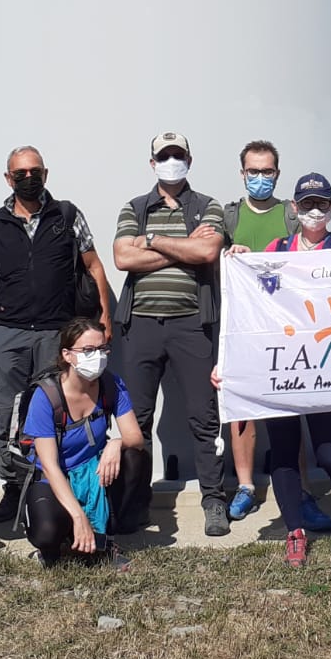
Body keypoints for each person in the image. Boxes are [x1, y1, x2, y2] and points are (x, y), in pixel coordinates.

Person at [217, 172, 331, 567]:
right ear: (294, 208)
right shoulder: (277, 248)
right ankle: (294, 531)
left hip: (327, 367)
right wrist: (241, 260)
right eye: (307, 204)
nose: (314, 211)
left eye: (322, 204)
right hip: (284, 367)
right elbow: (250, 308)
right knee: (283, 452)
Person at [0, 145, 114, 525]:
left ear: (45, 174)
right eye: (20, 173)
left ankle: (55, 491)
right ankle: (14, 490)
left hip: (56, 334)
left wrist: (104, 320)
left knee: (58, 412)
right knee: (9, 416)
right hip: (9, 334)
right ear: (8, 178)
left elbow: (95, 267)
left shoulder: (66, 215)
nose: (28, 179)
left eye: (34, 171)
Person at [111, 132, 230, 538]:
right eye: (165, 155)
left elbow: (207, 253)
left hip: (192, 325)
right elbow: (122, 257)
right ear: (152, 163)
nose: (172, 161)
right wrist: (177, 245)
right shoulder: (135, 207)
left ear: (189, 159)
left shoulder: (207, 206)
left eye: (178, 154)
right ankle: (133, 505)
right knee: (136, 421)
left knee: (204, 417)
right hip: (140, 326)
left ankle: (214, 501)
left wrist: (151, 242)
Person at [217, 140, 331, 533]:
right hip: (245, 327)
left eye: (267, 171)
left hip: (290, 326)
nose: (260, 178)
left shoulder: (290, 214)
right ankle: (246, 486)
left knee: (290, 406)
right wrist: (234, 256)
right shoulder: (229, 216)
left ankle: (301, 491)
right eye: (253, 171)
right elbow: (213, 254)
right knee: (243, 407)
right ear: (242, 172)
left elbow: (310, 259)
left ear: (277, 174)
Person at [20, 317, 145, 568]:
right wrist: (78, 517)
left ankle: (106, 537)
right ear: (67, 355)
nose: (97, 356)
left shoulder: (111, 383)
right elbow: (50, 466)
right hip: (54, 478)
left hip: (94, 472)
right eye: (87, 350)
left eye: (102, 349)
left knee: (134, 456)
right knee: (47, 533)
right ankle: (66, 533)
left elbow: (136, 438)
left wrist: (115, 443)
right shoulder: (47, 396)